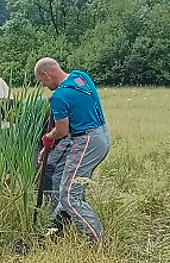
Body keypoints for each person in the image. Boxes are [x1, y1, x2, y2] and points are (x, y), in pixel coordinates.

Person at [34, 57, 112, 243]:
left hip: (85, 140)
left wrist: (48, 137)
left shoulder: (60, 97)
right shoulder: (80, 77)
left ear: (46, 74)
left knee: (69, 196)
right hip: (102, 136)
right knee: (69, 186)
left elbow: (62, 130)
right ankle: (56, 229)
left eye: (41, 81)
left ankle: (97, 241)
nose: (44, 85)